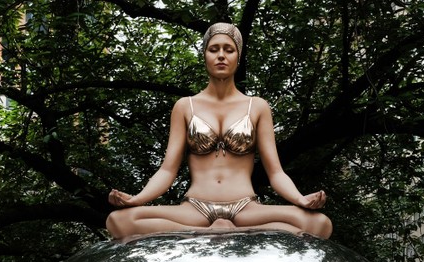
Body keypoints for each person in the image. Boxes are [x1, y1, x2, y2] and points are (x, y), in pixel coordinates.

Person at [106, 22, 332, 240]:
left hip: (245, 208)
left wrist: (300, 200)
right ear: (204, 55)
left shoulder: (258, 106)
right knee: (118, 220)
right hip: (195, 209)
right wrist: (136, 199)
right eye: (214, 49)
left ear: (238, 56)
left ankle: (224, 230)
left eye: (229, 50)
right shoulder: (185, 106)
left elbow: (275, 173)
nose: (221, 55)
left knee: (319, 224)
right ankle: (215, 232)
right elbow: (167, 171)